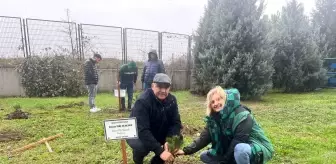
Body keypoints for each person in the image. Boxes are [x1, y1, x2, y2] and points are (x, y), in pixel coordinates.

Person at [174, 86, 274, 164]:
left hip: (256, 147)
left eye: (218, 99)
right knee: (204, 156)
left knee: (240, 149)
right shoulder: (214, 119)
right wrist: (185, 151)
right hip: (233, 150)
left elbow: (238, 141)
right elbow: (203, 138)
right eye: (212, 102)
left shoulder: (242, 115)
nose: (215, 103)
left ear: (225, 99)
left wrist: (224, 161)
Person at [127, 73, 183, 164]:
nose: (163, 90)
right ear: (153, 86)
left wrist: (169, 140)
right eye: (159, 87)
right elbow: (142, 130)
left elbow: (176, 123)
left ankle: (158, 161)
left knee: (176, 140)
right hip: (140, 134)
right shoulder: (142, 101)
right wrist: (159, 151)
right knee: (141, 146)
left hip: (159, 130)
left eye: (166, 87)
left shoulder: (172, 100)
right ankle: (138, 157)